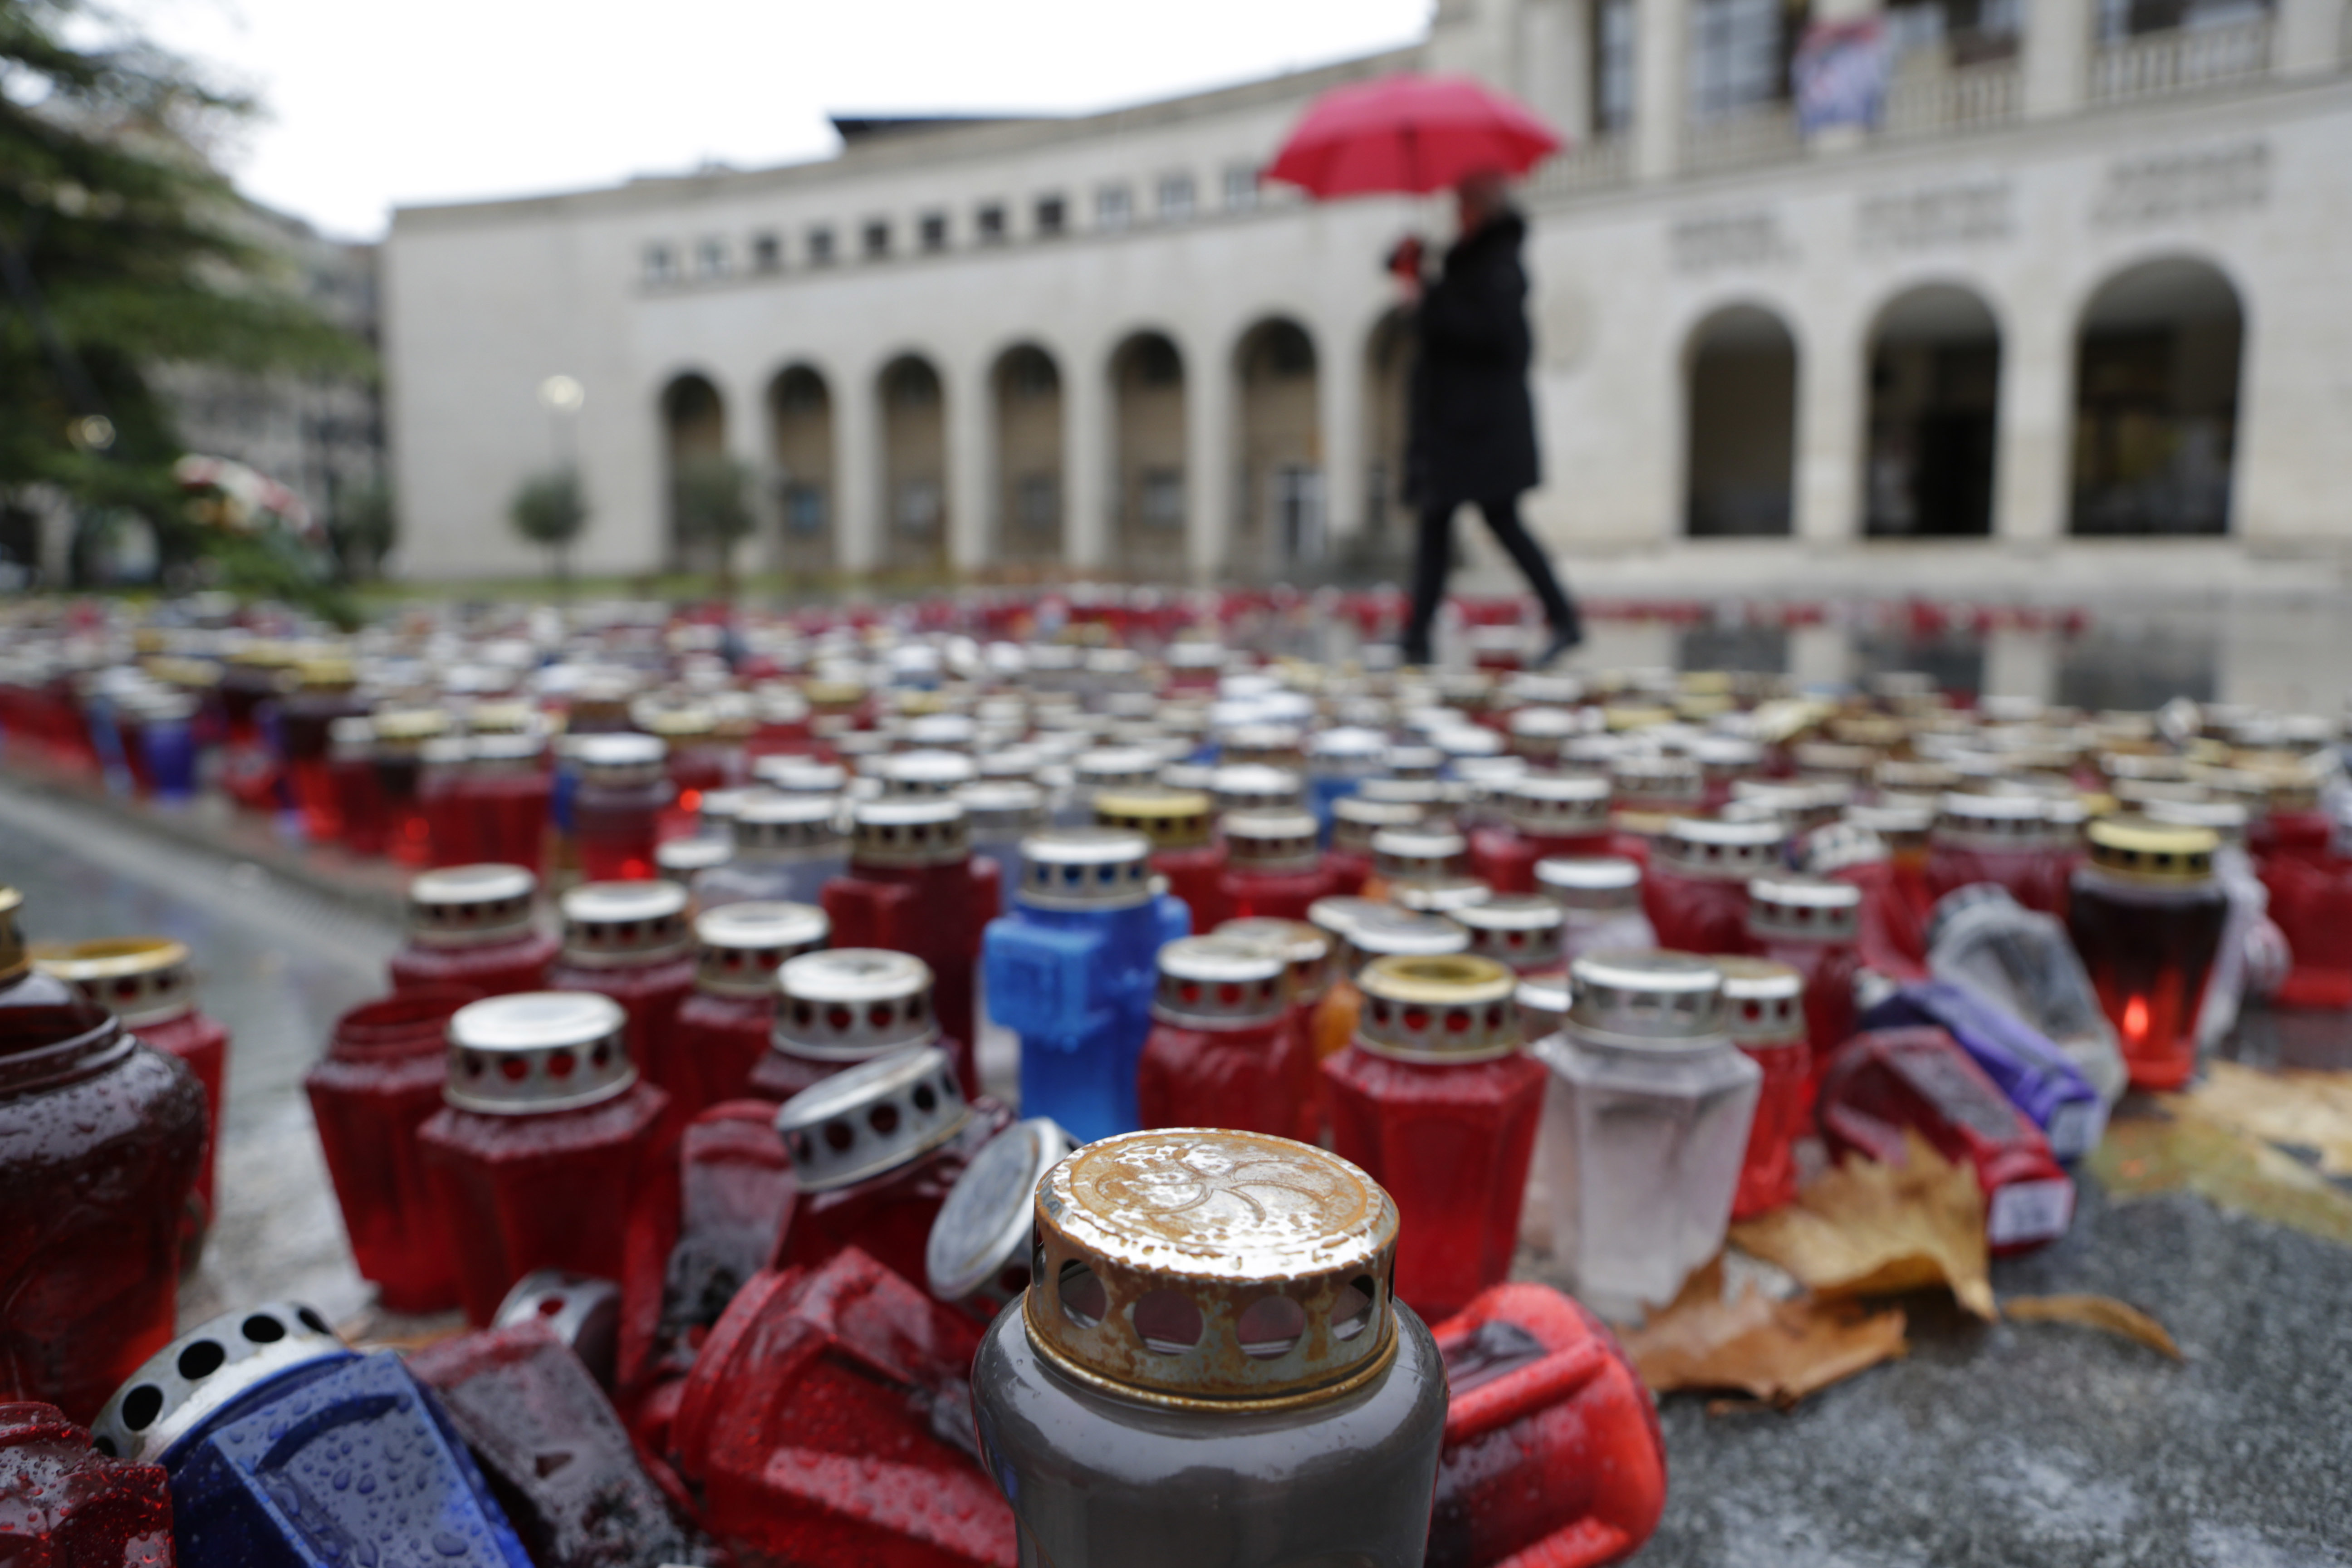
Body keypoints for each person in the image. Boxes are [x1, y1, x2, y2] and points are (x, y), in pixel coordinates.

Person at [1392, 171, 1581, 669]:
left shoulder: (1499, 264)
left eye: (1467, 203)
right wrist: (1416, 281)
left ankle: (1564, 620)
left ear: (1485, 207)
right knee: (1442, 526)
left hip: (1480, 428)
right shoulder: (1468, 263)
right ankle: (1416, 637)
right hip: (1458, 426)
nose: (1459, 213)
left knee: (1493, 522)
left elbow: (1494, 339)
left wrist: (1427, 297)